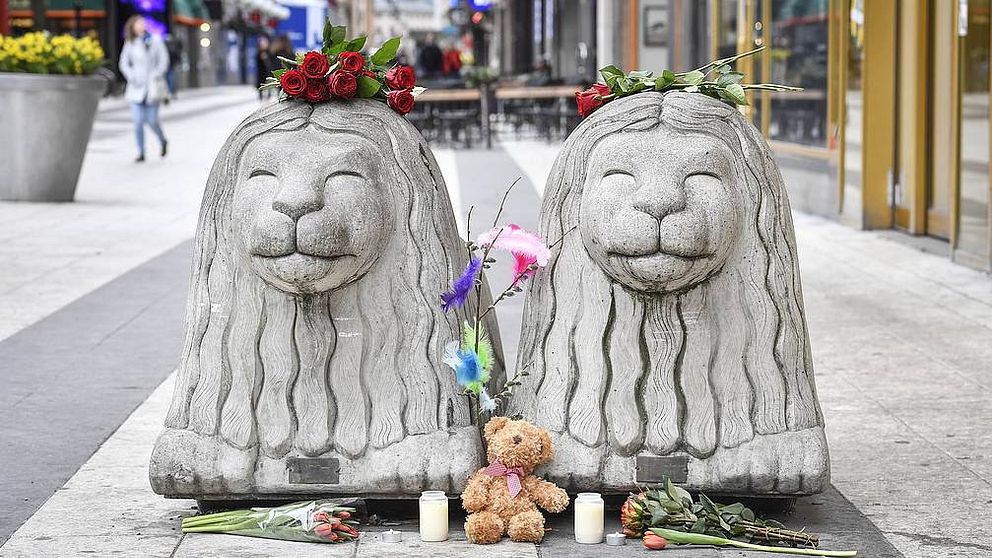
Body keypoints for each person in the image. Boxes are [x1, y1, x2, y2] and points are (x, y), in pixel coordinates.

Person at [119, 15, 169, 162]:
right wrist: (131, 75)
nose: (140, 26)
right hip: (136, 87)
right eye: (137, 23)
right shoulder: (130, 43)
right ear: (132, 26)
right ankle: (141, 152)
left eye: (142, 23)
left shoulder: (156, 40)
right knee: (138, 122)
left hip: (152, 88)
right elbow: (123, 63)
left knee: (152, 121)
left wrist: (157, 74)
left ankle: (163, 140)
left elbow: (164, 60)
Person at [256, 35, 273, 100]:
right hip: (261, 72)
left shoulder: (269, 52)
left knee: (268, 82)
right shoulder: (258, 53)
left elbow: (271, 62)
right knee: (260, 83)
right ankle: (260, 95)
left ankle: (269, 94)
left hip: (267, 72)